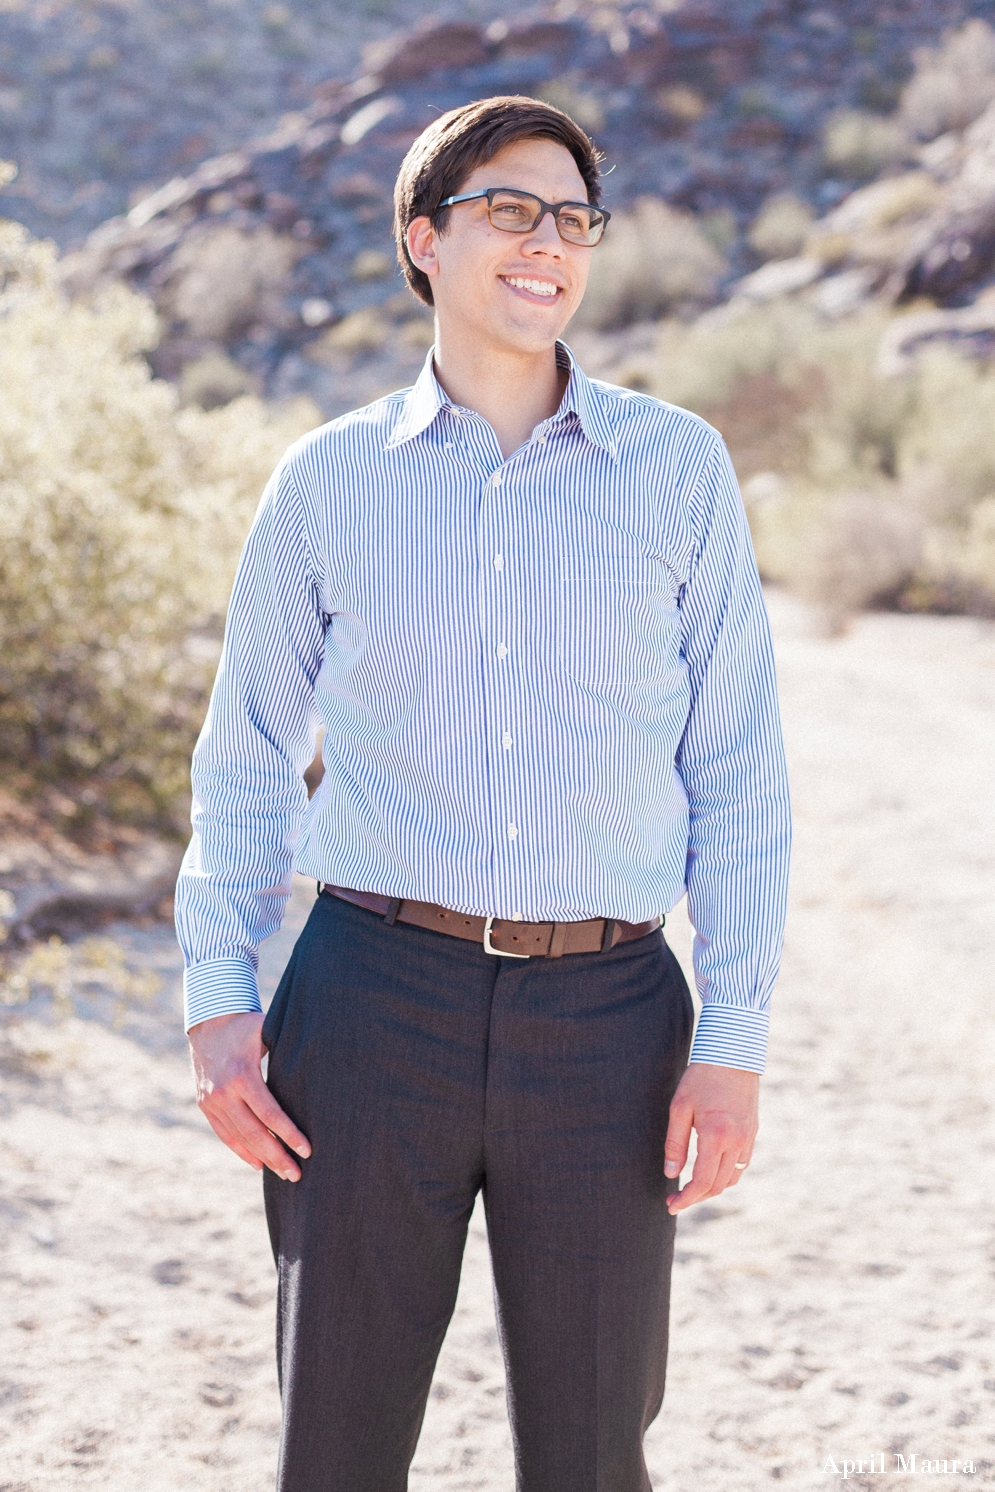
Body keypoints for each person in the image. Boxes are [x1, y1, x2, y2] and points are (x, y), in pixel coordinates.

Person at [175, 94, 791, 1492]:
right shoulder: (326, 483)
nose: (547, 242)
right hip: (367, 1003)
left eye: (574, 217)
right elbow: (248, 752)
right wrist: (217, 998)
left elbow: (738, 771)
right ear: (423, 239)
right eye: (509, 207)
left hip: (611, 1020)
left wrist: (734, 1038)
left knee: (587, 1454)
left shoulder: (679, 470)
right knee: (334, 1447)